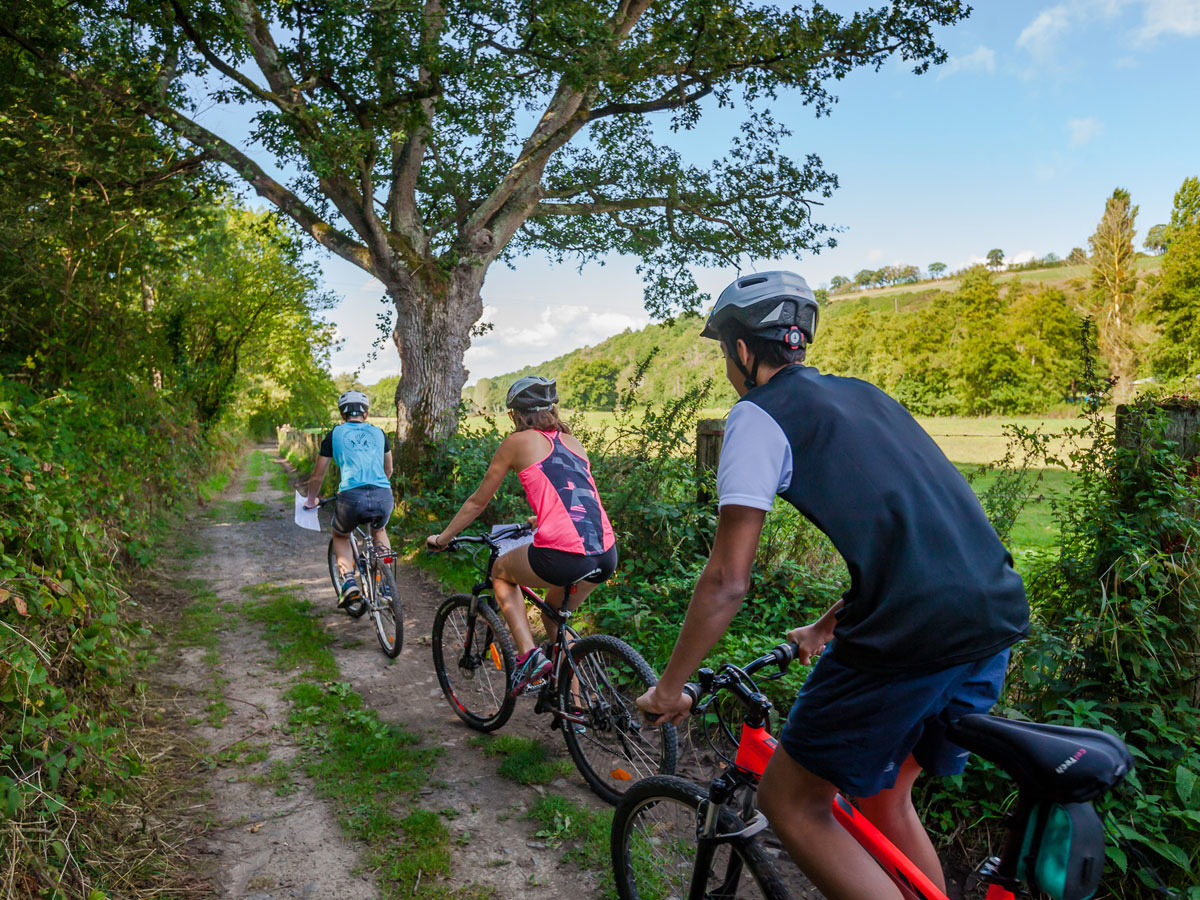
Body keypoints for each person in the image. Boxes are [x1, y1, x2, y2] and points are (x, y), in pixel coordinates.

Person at [635, 271, 1030, 900]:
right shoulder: (865, 395)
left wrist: (670, 688)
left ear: (741, 350)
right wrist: (825, 626)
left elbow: (726, 579)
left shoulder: (758, 416)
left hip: (911, 635)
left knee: (790, 801)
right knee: (883, 792)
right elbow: (917, 538)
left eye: (723, 351)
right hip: (995, 614)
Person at [427, 376, 618, 694]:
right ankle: (579, 709)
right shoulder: (573, 442)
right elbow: (575, 495)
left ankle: (528, 657)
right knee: (555, 618)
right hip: (606, 553)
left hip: (564, 554)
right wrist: (542, 517)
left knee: (501, 571)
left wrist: (443, 538)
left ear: (515, 414)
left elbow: (478, 501)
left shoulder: (516, 443)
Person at [304, 390, 394, 610]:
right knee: (379, 530)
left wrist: (311, 500)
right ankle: (387, 587)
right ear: (367, 413)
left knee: (340, 534)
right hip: (383, 493)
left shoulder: (334, 435)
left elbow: (317, 476)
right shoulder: (379, 433)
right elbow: (388, 469)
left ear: (342, 415)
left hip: (351, 497)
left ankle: (350, 583)